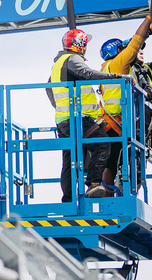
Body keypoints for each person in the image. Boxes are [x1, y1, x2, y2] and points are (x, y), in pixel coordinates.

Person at [92, 16, 152, 193]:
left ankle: (109, 192)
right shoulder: (118, 64)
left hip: (109, 123)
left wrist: (148, 33)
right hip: (117, 123)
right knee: (125, 159)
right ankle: (119, 191)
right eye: (121, 49)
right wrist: (148, 20)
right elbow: (135, 43)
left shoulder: (107, 67)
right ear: (117, 51)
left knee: (110, 162)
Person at [50, 28, 113, 200]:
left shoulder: (58, 64)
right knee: (102, 145)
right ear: (79, 45)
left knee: (70, 162)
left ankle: (68, 201)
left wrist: (61, 107)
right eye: (84, 44)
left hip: (64, 120)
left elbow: (49, 88)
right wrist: (115, 76)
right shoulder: (72, 59)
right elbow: (87, 73)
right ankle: (93, 184)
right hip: (77, 119)